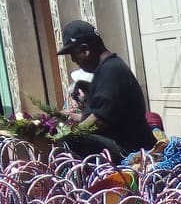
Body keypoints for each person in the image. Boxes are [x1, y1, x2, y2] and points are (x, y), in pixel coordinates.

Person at [56, 21, 155, 159]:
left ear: (86, 50)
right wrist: (69, 118)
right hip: (123, 143)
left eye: (73, 54)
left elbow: (99, 121)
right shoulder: (106, 70)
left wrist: (69, 133)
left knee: (70, 140)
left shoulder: (110, 71)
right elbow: (102, 114)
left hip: (129, 149)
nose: (73, 60)